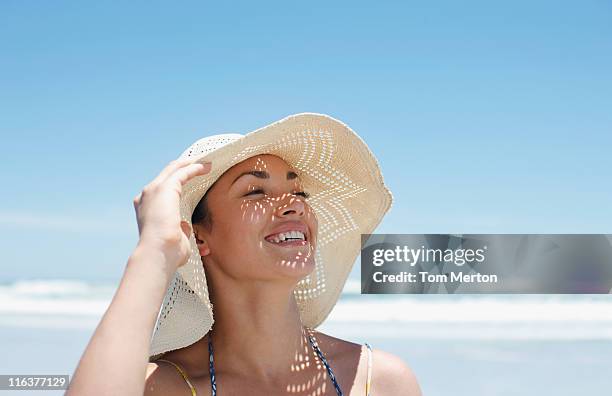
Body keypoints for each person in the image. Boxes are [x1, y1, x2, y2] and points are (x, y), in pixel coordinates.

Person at [67, 113, 422, 395]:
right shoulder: (162, 386)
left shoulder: (378, 380)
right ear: (198, 238)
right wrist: (154, 252)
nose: (292, 206)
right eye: (255, 191)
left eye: (299, 192)